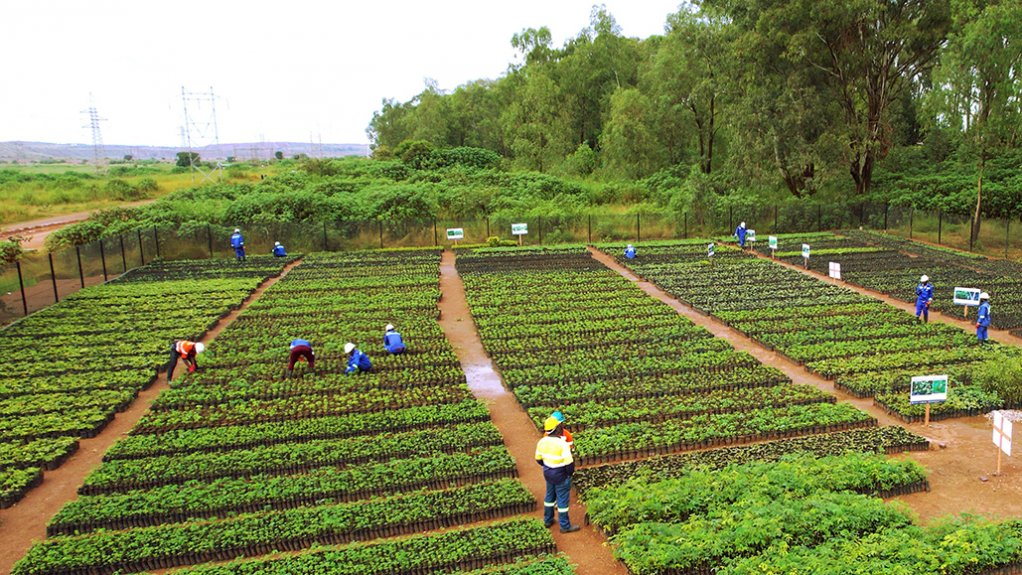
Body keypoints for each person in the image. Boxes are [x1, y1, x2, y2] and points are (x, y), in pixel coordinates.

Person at [536, 416, 580, 533]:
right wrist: (568, 474)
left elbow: (538, 459)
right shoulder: (562, 444)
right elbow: (569, 464)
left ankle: (548, 520)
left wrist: (548, 466)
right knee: (562, 501)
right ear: (557, 428)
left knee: (549, 497)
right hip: (561, 475)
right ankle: (564, 526)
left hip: (548, 473)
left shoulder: (542, 442)